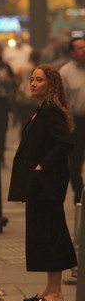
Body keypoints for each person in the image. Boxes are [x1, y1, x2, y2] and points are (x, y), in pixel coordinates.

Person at [6, 64, 76, 301]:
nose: (33, 83)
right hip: (40, 185)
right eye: (32, 79)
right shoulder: (41, 110)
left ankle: (56, 293)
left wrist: (42, 166)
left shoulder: (49, 111)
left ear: (51, 84)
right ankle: (49, 289)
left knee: (51, 234)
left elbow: (66, 143)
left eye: (39, 80)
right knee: (44, 234)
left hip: (48, 184)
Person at [60, 36, 85, 204]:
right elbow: (62, 100)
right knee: (74, 160)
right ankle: (78, 191)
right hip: (76, 121)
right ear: (72, 53)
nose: (83, 50)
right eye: (79, 48)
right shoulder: (65, 72)